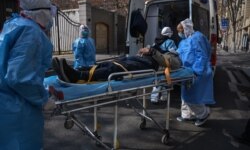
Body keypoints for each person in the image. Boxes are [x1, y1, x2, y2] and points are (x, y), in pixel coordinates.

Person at [0, 0, 56, 150]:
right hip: (17, 109)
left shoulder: (13, 25)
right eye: (50, 12)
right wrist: (43, 99)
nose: (51, 17)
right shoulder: (32, 32)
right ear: (41, 12)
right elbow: (19, 77)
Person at [52, 28, 181, 83]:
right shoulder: (161, 44)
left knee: (116, 68)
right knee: (112, 62)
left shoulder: (175, 55)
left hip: (149, 66)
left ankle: (78, 76)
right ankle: (77, 70)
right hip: (141, 60)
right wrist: (146, 50)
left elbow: (172, 64)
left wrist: (152, 51)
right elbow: (154, 52)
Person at [176, 18, 215, 127]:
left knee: (194, 96)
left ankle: (203, 114)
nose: (179, 33)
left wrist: (197, 71)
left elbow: (201, 56)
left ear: (186, 29)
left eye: (181, 31)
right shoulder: (184, 41)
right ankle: (187, 115)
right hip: (186, 71)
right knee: (185, 95)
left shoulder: (197, 38)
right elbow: (179, 53)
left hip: (197, 71)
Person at [150, 26, 177, 103]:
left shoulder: (156, 41)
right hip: (165, 62)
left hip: (157, 63)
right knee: (165, 80)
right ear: (169, 34)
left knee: (158, 80)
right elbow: (174, 52)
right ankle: (162, 97)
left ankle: (155, 98)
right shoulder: (170, 42)